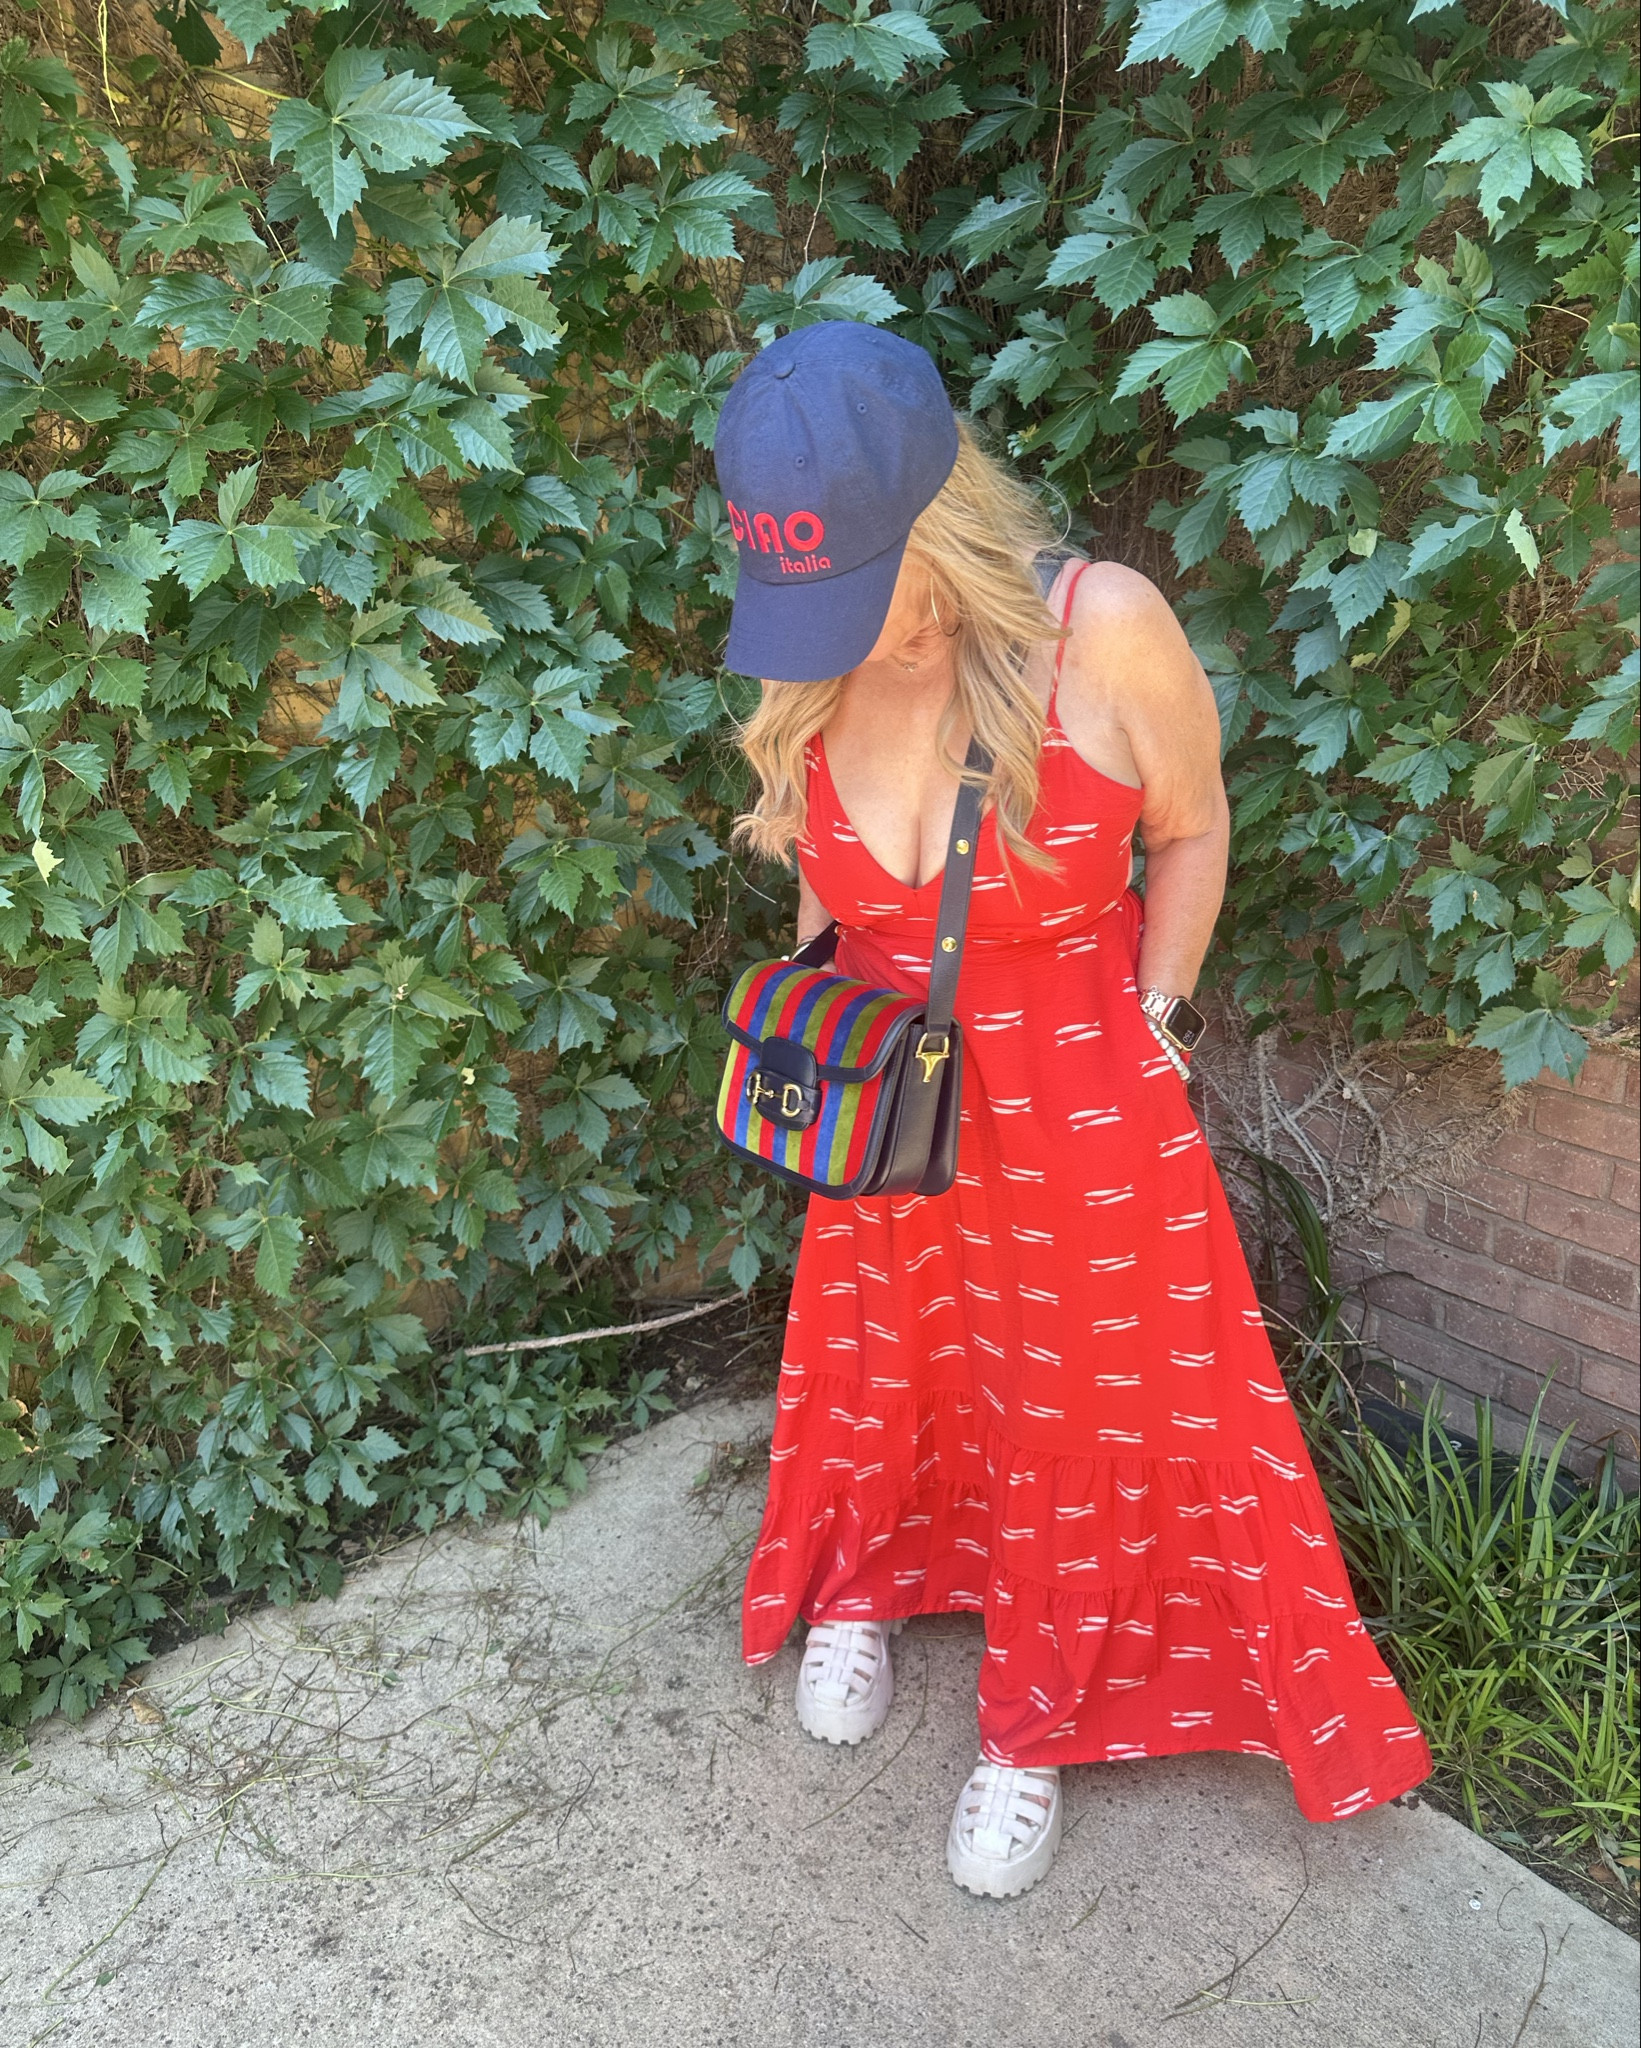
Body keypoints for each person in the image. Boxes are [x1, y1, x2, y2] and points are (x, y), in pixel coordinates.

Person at [716, 322, 1432, 1900]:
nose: (827, 634)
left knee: (1082, 1410)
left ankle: (1033, 1722)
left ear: (938, 516)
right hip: (886, 1104)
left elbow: (1192, 830)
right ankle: (872, 1579)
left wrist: (1155, 1025)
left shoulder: (1097, 631)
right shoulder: (813, 656)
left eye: (858, 587)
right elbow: (820, 899)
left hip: (1080, 1101)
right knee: (887, 1356)